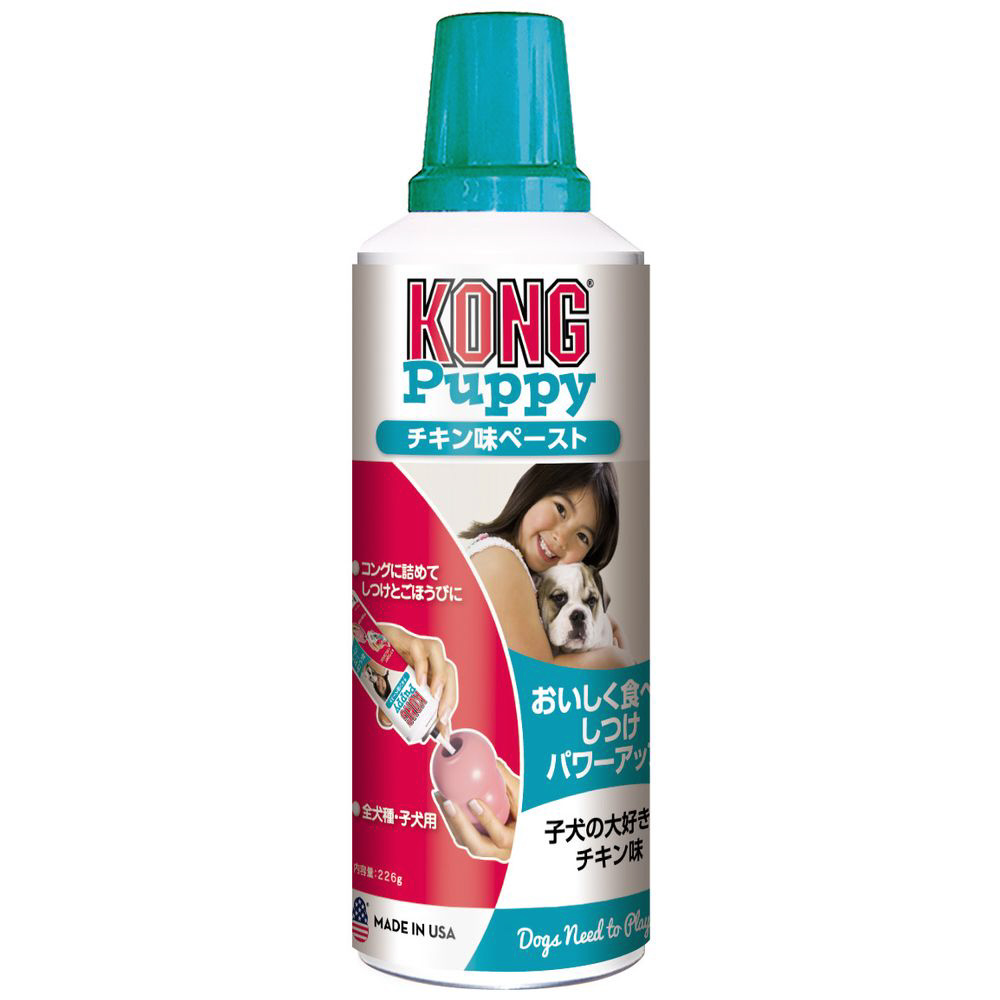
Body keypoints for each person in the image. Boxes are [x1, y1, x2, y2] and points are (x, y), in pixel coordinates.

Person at [462, 463, 634, 668]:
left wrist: (602, 625)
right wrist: (615, 659)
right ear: (534, 490)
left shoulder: (524, 572)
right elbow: (537, 674)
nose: (561, 538)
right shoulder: (499, 560)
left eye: (582, 536)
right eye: (561, 509)